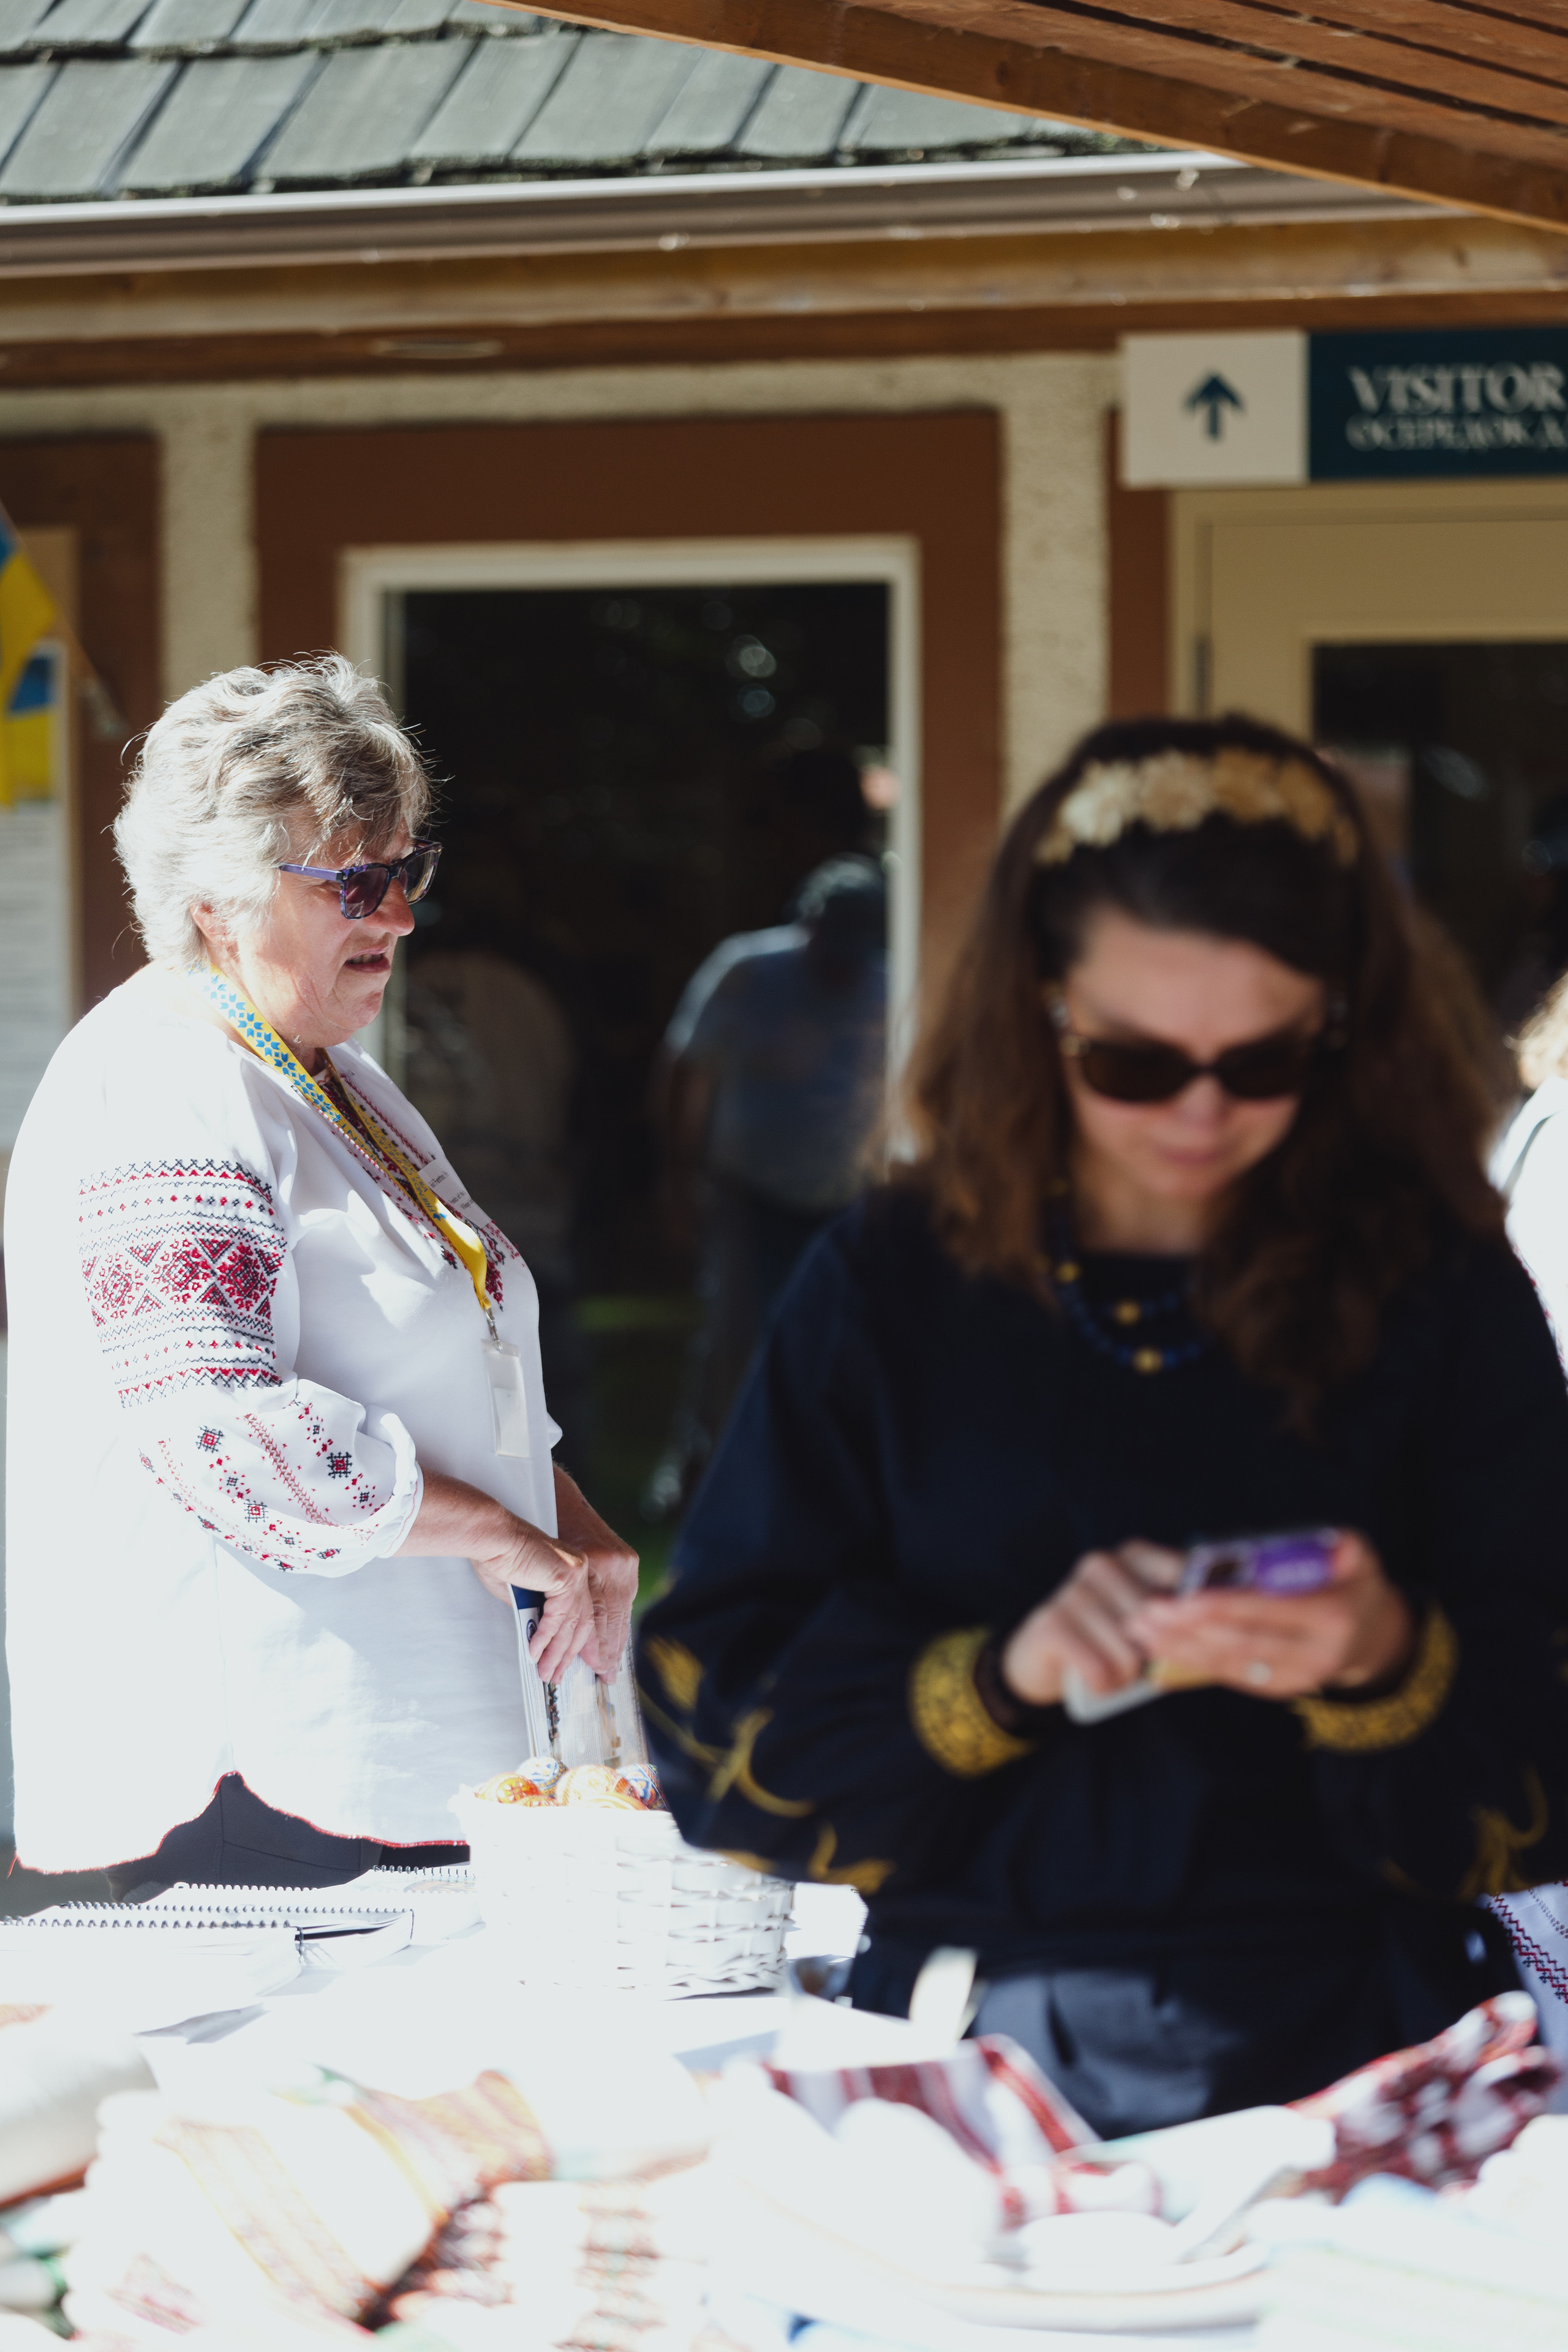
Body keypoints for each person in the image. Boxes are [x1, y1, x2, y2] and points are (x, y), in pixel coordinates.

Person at [638, 712, 1568, 2139]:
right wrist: (1000, 1673)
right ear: (1033, 1014)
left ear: (1342, 1025)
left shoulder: (1434, 1289)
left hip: (1365, 2060)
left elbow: (1539, 1764)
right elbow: (715, 1739)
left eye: (1260, 1062)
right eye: (1132, 1062)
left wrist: (1386, 1662)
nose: (1198, 1113)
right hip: (984, 2043)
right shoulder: (897, 1282)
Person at [5, 657, 637, 1893]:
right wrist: (498, 1535)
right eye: (356, 881)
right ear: (217, 902)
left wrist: (575, 1533)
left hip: (387, 1776)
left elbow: (453, 1372)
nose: (398, 915)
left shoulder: (322, 1072)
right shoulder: (161, 1085)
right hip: (256, 1778)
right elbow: (220, 1432)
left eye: (406, 871)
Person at [647, 854, 887, 1510]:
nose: (840, 965)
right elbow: (684, 1070)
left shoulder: (886, 984)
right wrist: (678, 1177)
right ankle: (718, 1482)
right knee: (737, 1340)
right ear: (807, 924)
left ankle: (823, 1488)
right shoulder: (748, 971)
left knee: (842, 1342)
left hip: (845, 1199)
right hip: (750, 1189)